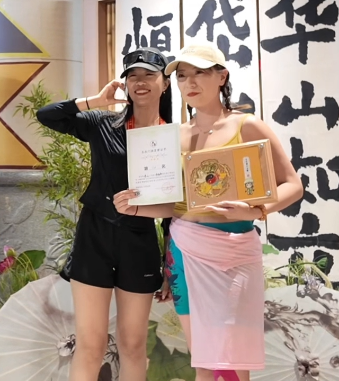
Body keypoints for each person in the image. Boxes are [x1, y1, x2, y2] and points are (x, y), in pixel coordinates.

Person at [114, 42, 304, 381]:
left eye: (200, 73)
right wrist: (136, 207)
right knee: (203, 358)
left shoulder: (247, 126)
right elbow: (177, 206)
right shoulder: (175, 136)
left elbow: (293, 185)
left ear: (222, 77)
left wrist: (256, 210)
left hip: (234, 251)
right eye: (182, 76)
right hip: (185, 251)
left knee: (232, 359)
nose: (190, 82)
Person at [37, 47, 173, 381]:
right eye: (132, 76)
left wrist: (169, 264)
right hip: (94, 237)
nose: (140, 82)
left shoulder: (173, 136)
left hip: (140, 241)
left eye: (149, 75)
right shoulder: (103, 123)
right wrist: (94, 101)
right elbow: (47, 115)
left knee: (133, 344)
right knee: (90, 344)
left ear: (165, 83)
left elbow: (175, 209)